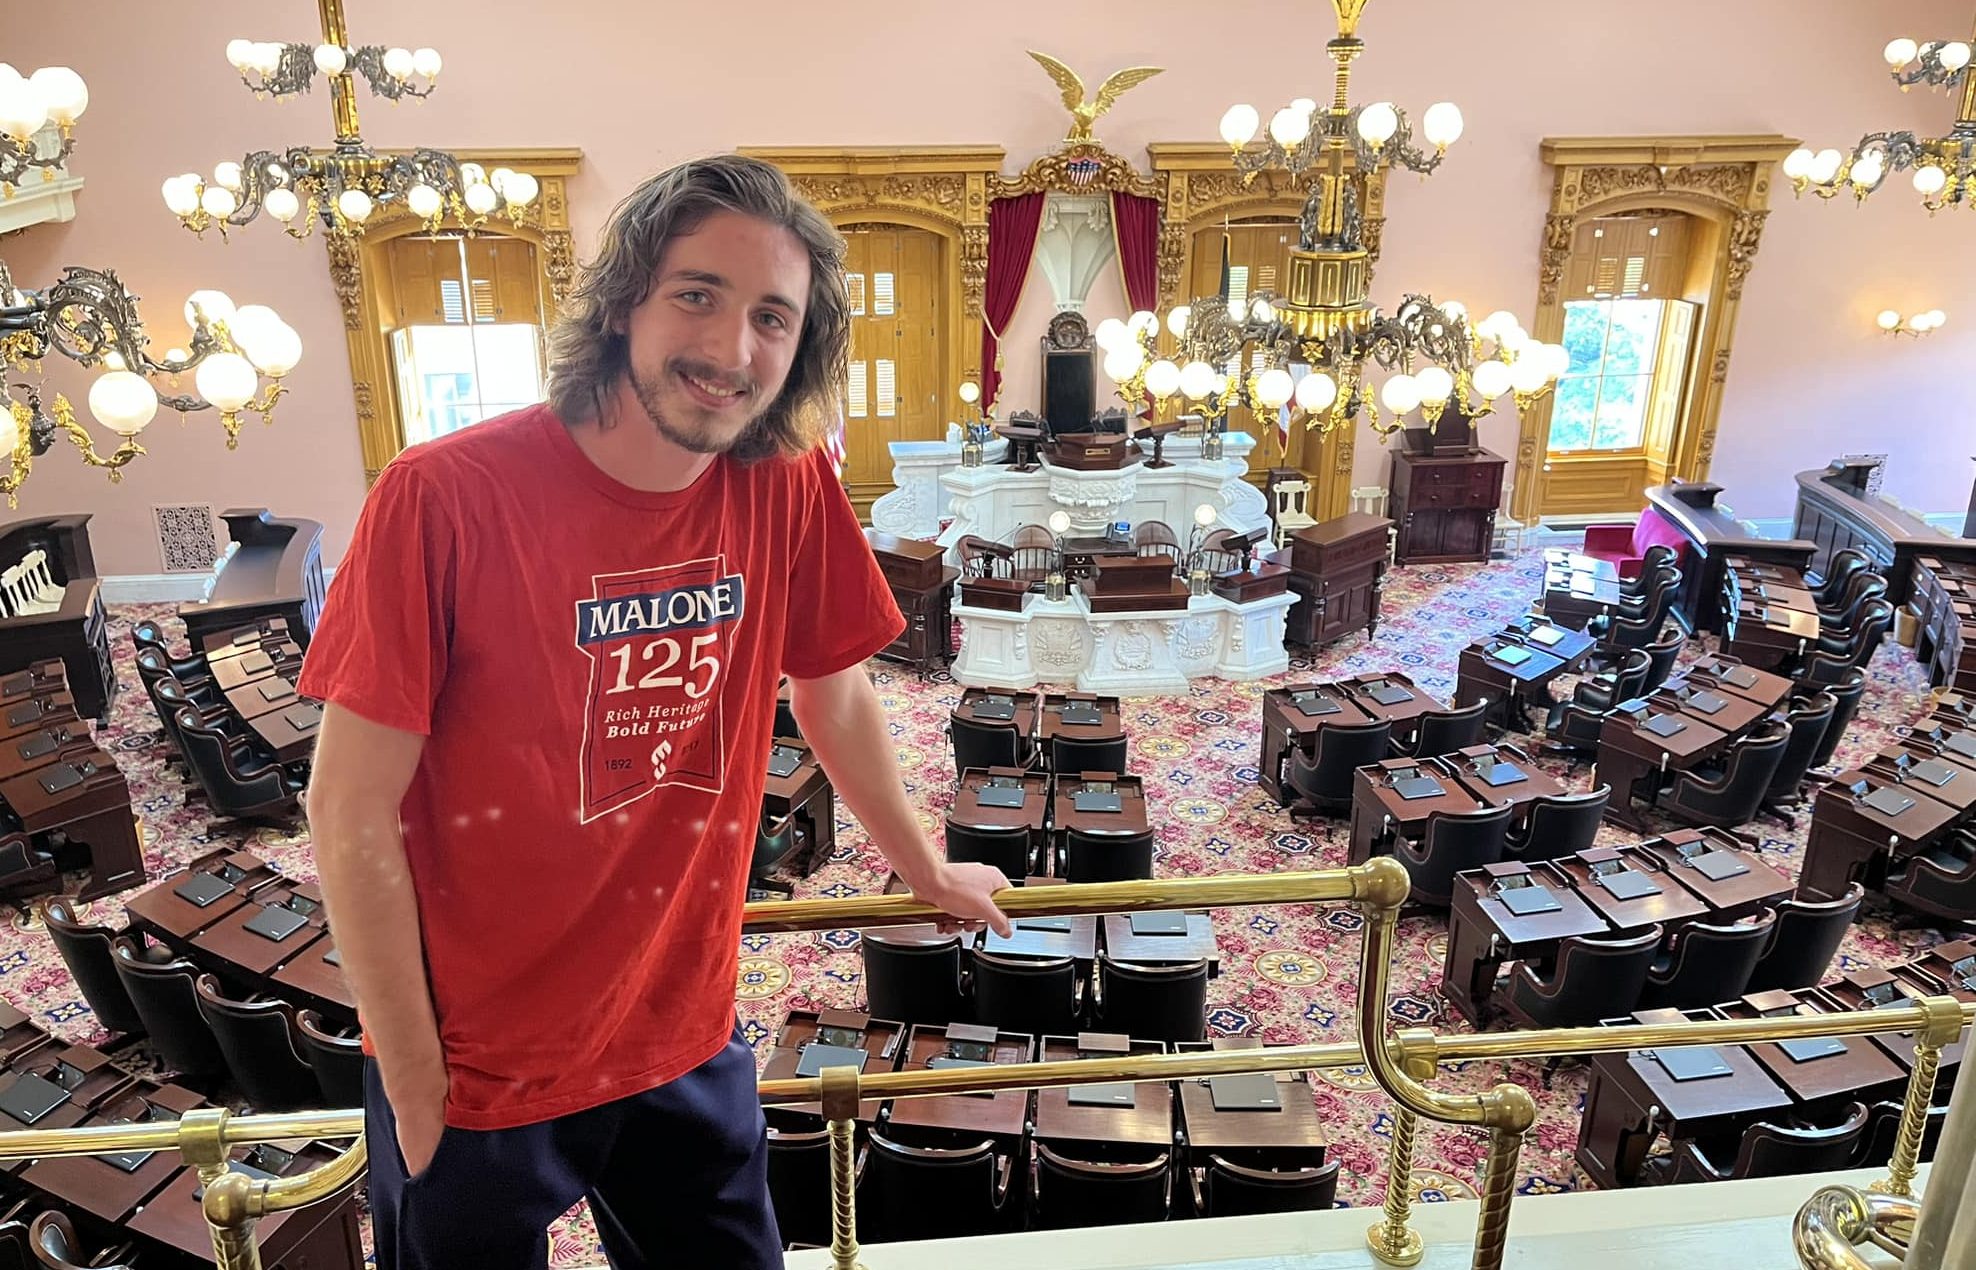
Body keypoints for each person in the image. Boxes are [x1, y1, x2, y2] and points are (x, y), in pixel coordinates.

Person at [298, 154, 1012, 1269]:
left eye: (772, 317)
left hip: (684, 1034)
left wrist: (923, 868)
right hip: (477, 1067)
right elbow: (347, 805)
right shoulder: (441, 496)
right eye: (697, 293)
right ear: (623, 298)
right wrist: (413, 1081)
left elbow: (834, 689)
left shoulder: (784, 480)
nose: (732, 351)